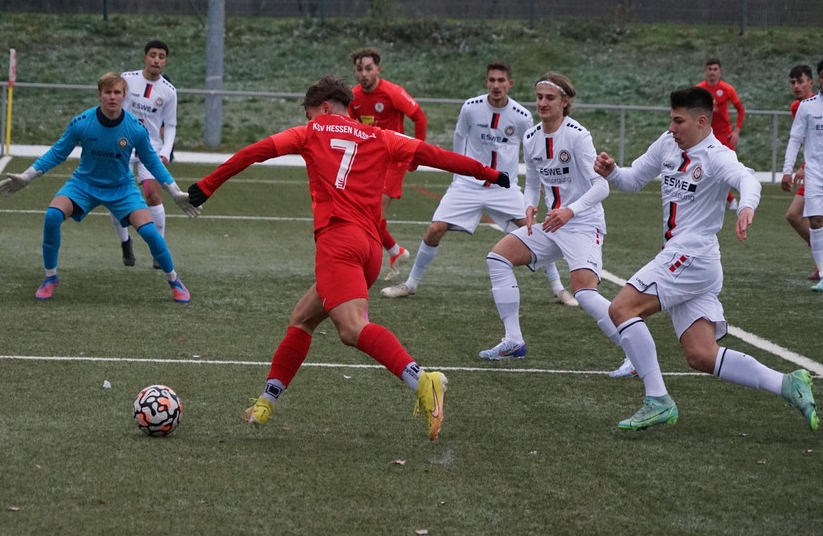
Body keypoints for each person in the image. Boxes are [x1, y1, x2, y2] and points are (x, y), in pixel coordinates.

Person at [186, 75, 511, 440]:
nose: (309, 120)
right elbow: (435, 155)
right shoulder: (382, 136)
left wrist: (206, 186)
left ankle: (422, 379)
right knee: (302, 319)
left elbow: (254, 152)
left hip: (338, 242)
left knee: (351, 329)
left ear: (324, 108)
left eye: (310, 113)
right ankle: (265, 402)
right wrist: (490, 173)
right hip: (370, 250)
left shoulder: (309, 132)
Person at [594, 86, 818, 431]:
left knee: (621, 309)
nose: (672, 128)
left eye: (679, 121)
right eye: (671, 120)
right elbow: (633, 180)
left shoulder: (717, 155)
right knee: (701, 354)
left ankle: (658, 399)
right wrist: (611, 171)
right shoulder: (667, 144)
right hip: (692, 261)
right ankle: (788, 383)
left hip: (692, 254)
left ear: (701, 121)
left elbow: (747, 180)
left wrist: (746, 206)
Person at [380, 61, 578, 307]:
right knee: (435, 229)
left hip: (504, 187)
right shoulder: (470, 108)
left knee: (532, 230)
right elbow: (459, 137)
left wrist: (536, 182)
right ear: (486, 82)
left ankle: (559, 289)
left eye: (501, 80)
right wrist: (457, 176)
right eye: (492, 80)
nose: (496, 85)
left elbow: (532, 149)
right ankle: (410, 284)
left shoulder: (522, 116)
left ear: (510, 84)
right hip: (468, 184)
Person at [477, 72, 633, 377]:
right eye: (539, 97)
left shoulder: (577, 135)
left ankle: (634, 355)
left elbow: (602, 186)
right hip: (552, 225)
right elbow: (532, 182)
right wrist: (529, 205)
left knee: (584, 292)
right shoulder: (531, 136)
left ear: (565, 101)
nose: (543, 103)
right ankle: (513, 340)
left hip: (583, 224)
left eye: (550, 98)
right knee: (498, 258)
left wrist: (570, 211)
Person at [0, 72, 199, 302]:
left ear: (124, 95)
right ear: (99, 94)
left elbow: (152, 162)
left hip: (122, 188)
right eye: (108, 92)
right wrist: (27, 176)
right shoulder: (82, 122)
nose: (112, 97)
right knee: (52, 216)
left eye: (117, 92)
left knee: (151, 233)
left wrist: (175, 191)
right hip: (84, 184)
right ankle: (50, 277)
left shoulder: (135, 128)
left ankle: (174, 279)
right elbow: (57, 152)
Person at [348, 47, 428, 280]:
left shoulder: (392, 92)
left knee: (376, 210)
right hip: (371, 162)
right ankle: (395, 252)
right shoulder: (353, 97)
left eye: (368, 68)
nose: (364, 74)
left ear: (378, 70)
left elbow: (420, 118)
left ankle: (368, 263)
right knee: (367, 212)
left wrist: (417, 153)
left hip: (394, 161)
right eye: (360, 69)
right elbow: (351, 129)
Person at [109, 40, 179, 268]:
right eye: (153, 55)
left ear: (165, 61)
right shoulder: (127, 79)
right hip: (122, 145)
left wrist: (165, 152)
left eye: (161, 56)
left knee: (153, 194)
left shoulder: (169, 91)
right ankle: (125, 243)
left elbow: (170, 125)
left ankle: (159, 249)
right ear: (145, 57)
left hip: (151, 148)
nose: (156, 60)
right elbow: (113, 106)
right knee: (116, 197)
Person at [782, 59, 823, 292]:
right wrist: (793, 168)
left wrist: (802, 166)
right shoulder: (801, 107)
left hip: (811, 168)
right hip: (814, 171)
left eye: (800, 82)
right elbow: (801, 139)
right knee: (805, 217)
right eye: (792, 82)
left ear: (811, 82)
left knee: (796, 215)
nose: (796, 86)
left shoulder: (803, 106)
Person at [696, 57, 746, 209]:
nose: (712, 72)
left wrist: (736, 131)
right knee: (705, 168)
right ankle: (730, 200)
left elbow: (741, 109)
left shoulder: (727, 89)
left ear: (720, 71)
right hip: (706, 136)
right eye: (710, 69)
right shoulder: (699, 89)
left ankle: (744, 197)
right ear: (705, 71)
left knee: (729, 167)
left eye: (715, 69)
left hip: (725, 136)